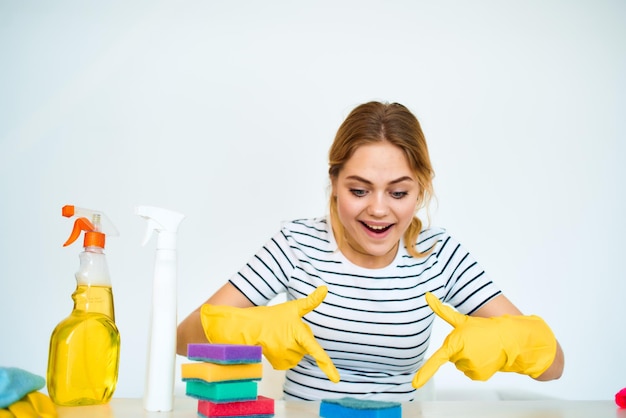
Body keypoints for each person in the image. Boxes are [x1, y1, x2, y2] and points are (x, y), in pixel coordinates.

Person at [176, 101, 564, 402]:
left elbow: (554, 367)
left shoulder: (439, 255)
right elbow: (181, 340)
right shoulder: (297, 245)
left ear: (421, 189)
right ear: (334, 182)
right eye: (359, 190)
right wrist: (245, 328)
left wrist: (510, 343)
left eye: (398, 192)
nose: (378, 209)